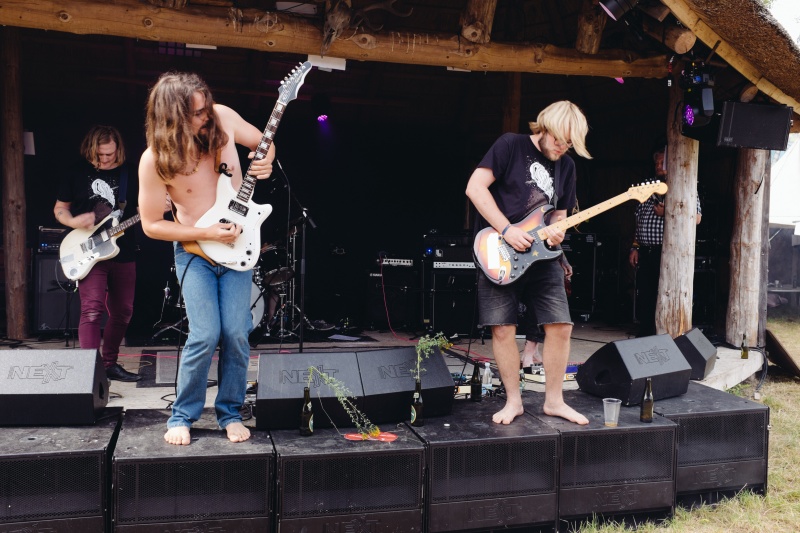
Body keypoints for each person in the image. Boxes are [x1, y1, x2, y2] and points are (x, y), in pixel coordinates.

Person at [138, 72, 275, 445]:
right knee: (204, 334)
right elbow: (151, 225)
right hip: (195, 251)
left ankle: (230, 412)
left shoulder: (222, 117)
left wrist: (265, 160)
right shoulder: (154, 160)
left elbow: (264, 143)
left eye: (206, 107)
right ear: (173, 117)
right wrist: (207, 233)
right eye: (197, 113)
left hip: (237, 248)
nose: (206, 116)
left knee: (237, 332)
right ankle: (182, 415)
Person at [466, 100, 591, 426]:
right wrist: (506, 230)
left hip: (544, 255)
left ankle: (554, 401)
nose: (562, 148)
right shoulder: (510, 145)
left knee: (561, 326)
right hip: (500, 251)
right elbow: (475, 188)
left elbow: (560, 214)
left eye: (569, 144)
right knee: (503, 328)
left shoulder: (566, 166)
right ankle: (513, 402)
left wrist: (559, 231)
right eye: (559, 140)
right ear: (545, 127)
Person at [54, 125, 141, 382]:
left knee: (123, 312)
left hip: (122, 250)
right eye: (99, 155)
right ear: (91, 149)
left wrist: (160, 207)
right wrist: (73, 221)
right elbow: (60, 209)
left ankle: (109, 364)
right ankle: (90, 374)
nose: (104, 159)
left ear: (118, 150)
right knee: (91, 310)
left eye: (109, 154)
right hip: (88, 251)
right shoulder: (76, 171)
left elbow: (143, 209)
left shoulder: (131, 172)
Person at [629, 147, 702, 337]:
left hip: (667, 253)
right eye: (656, 163)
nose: (658, 166)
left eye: (662, 163)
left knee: (664, 294)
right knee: (645, 294)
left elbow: (696, 218)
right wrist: (634, 247)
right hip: (645, 251)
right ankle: (644, 335)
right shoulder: (647, 187)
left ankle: (663, 335)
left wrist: (667, 212)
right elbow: (638, 221)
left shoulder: (684, 186)